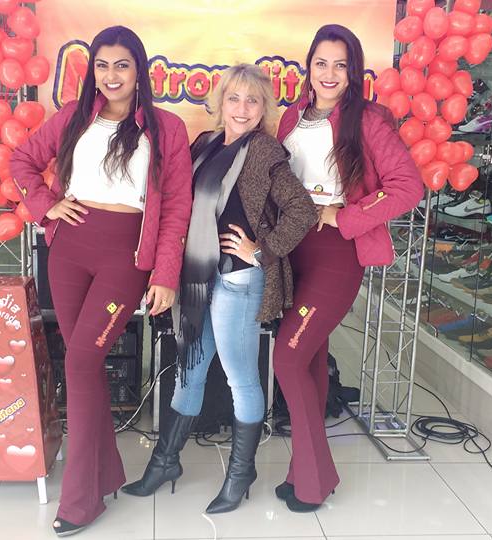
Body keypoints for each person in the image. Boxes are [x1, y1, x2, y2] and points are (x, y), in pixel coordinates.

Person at [9, 26, 192, 537]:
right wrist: (47, 206)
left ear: (139, 71)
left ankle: (80, 499)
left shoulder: (166, 128)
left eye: (122, 65)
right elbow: (22, 161)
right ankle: (105, 474)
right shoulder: (73, 116)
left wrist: (166, 274)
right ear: (92, 70)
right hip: (68, 251)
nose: (111, 76)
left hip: (124, 257)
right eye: (103, 65)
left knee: (81, 361)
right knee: (83, 366)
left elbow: (177, 207)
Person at [122, 64, 316, 514]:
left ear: (263, 108)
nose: (242, 108)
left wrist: (262, 250)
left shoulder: (264, 150)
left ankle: (241, 472)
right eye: (234, 98)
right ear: (220, 103)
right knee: (189, 370)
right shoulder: (205, 144)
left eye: (252, 100)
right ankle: (165, 462)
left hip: (237, 279)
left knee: (239, 378)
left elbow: (303, 210)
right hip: (198, 278)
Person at [272, 24, 424, 512]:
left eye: (340, 65)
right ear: (308, 67)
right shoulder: (291, 117)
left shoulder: (368, 121)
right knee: (310, 360)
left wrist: (346, 215)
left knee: (287, 358)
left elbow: (408, 187)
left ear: (353, 71)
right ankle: (303, 472)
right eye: (322, 63)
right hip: (294, 251)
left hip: (336, 254)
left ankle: (315, 479)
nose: (330, 73)